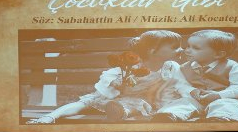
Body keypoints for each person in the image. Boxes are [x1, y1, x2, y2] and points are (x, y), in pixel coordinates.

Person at [28, 30, 183, 123]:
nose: (181, 50)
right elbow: (105, 89)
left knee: (136, 105)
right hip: (116, 96)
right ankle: (50, 116)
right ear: (152, 51)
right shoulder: (128, 68)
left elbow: (171, 88)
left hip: (140, 100)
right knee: (86, 103)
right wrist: (117, 84)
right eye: (175, 47)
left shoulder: (170, 66)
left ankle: (118, 111)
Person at [154, 29, 238, 122]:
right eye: (188, 46)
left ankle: (220, 119)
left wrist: (219, 95)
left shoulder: (232, 67)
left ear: (218, 54)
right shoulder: (184, 68)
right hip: (197, 100)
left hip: (225, 98)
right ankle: (169, 116)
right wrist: (191, 91)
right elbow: (180, 84)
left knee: (225, 105)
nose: (187, 50)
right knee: (183, 102)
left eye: (195, 48)